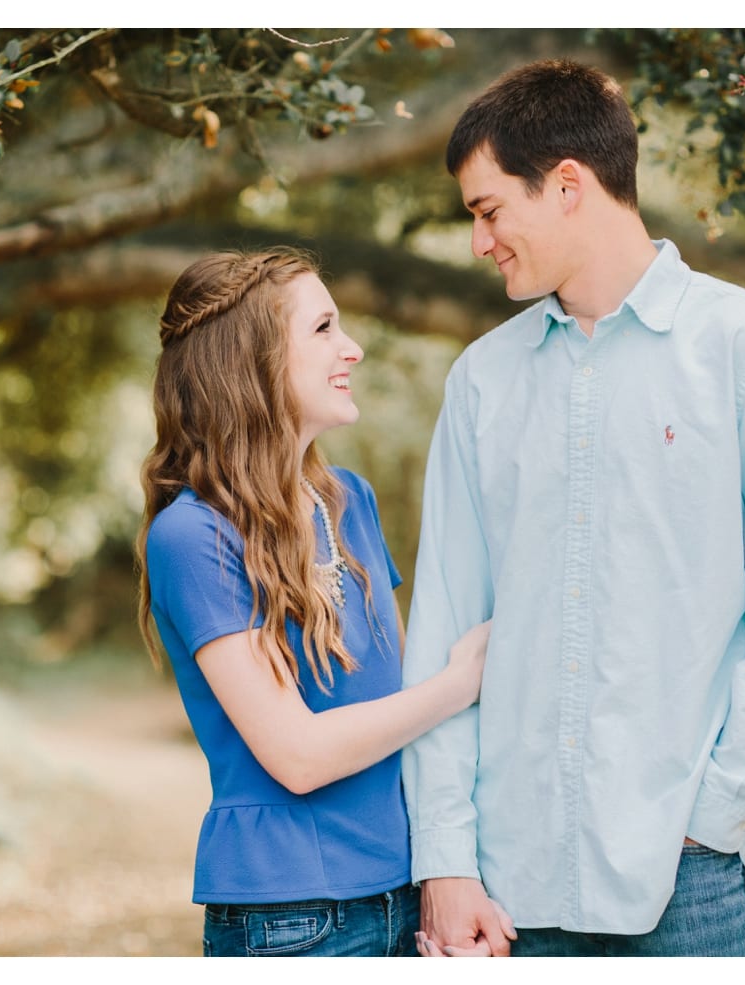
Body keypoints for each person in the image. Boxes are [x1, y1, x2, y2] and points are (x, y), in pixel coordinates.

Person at [402, 59, 745, 958]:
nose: (478, 242)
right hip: (509, 891)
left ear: (567, 184)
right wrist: (446, 860)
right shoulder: (481, 385)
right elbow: (446, 630)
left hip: (694, 882)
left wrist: (710, 815)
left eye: (488, 210)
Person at [136, 247, 497, 957]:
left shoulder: (349, 501)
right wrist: (460, 684)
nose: (352, 348)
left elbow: (397, 701)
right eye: (325, 328)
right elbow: (297, 755)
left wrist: (446, 868)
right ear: (254, 359)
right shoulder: (192, 534)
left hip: (403, 895)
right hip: (291, 918)